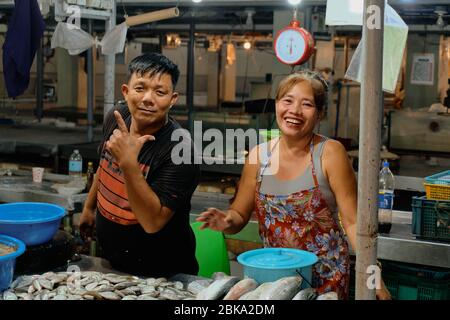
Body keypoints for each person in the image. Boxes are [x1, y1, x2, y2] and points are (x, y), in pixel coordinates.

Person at [197, 71, 391, 300]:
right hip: (272, 278)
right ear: (277, 105)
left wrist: (374, 277)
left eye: (306, 104)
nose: (294, 111)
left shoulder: (330, 153)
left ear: (320, 114)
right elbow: (239, 214)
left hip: (325, 280)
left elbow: (353, 223)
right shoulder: (259, 156)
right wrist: (226, 221)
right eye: (287, 100)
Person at [79, 53, 200, 277]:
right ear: (125, 92)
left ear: (173, 99)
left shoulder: (181, 151)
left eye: (159, 92)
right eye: (140, 88)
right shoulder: (116, 118)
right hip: (113, 262)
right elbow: (103, 167)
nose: (147, 98)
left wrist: (129, 164)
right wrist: (89, 207)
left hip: (163, 271)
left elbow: (152, 222)